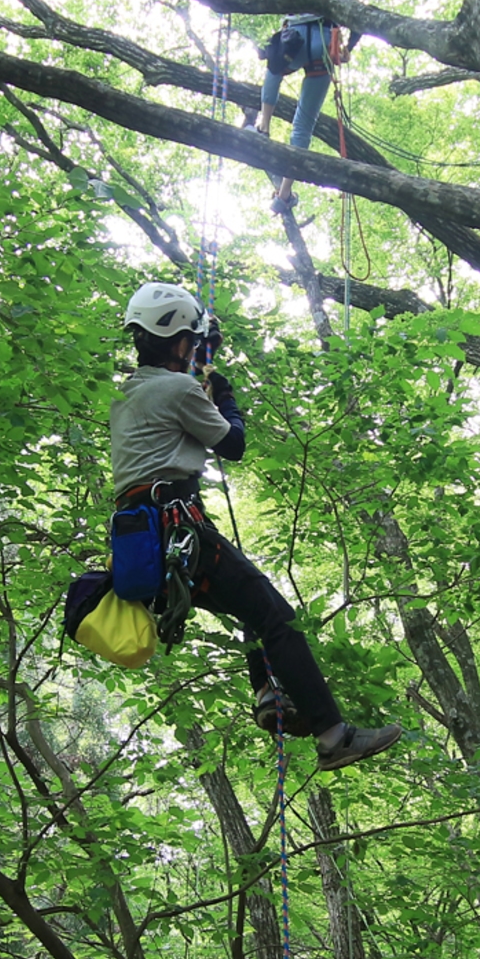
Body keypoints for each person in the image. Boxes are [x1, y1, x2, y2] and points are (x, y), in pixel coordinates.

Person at [112, 280, 404, 771]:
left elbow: (177, 393)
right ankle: (334, 735)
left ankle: (269, 691)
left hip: (146, 544)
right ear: (181, 343)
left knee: (251, 607)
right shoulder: (180, 388)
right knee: (275, 616)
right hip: (179, 533)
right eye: (189, 343)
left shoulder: (130, 395)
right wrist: (225, 395)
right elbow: (233, 444)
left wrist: (201, 349)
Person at [259, 0, 355, 210]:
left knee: (274, 68)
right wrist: (349, 48)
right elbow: (359, 20)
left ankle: (263, 126)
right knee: (304, 123)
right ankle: (284, 194)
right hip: (324, 48)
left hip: (296, 44)